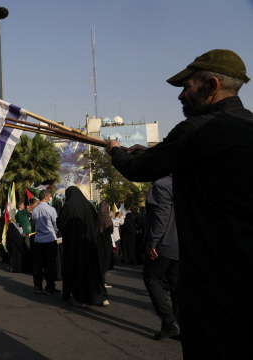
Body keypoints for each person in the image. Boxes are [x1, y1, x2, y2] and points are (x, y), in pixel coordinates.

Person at [105, 49, 253, 358]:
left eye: (187, 87)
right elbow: (201, 162)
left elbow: (137, 170)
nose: (181, 96)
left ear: (211, 85)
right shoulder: (245, 126)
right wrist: (147, 151)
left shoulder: (198, 129)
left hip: (211, 278)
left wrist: (115, 149)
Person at [142, 175, 179, 340]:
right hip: (178, 244)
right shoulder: (179, 182)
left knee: (151, 278)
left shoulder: (160, 185)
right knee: (176, 284)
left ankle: (169, 322)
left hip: (163, 244)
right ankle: (177, 325)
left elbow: (161, 216)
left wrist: (153, 242)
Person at [57, 186, 108, 307]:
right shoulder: (89, 206)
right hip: (90, 243)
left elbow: (61, 223)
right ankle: (99, 296)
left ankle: (80, 298)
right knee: (93, 269)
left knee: (77, 270)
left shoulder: (69, 206)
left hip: (74, 245)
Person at [30, 189, 60, 295]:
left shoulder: (35, 210)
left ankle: (38, 286)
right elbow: (55, 224)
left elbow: (33, 224)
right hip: (50, 239)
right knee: (50, 265)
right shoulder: (51, 209)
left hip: (38, 239)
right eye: (50, 196)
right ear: (46, 197)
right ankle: (49, 287)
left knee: (38, 264)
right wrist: (54, 232)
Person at [96, 202, 113, 290]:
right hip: (106, 242)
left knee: (99, 262)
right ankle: (103, 282)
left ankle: (100, 281)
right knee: (105, 263)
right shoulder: (107, 218)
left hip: (97, 241)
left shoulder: (96, 216)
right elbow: (110, 230)